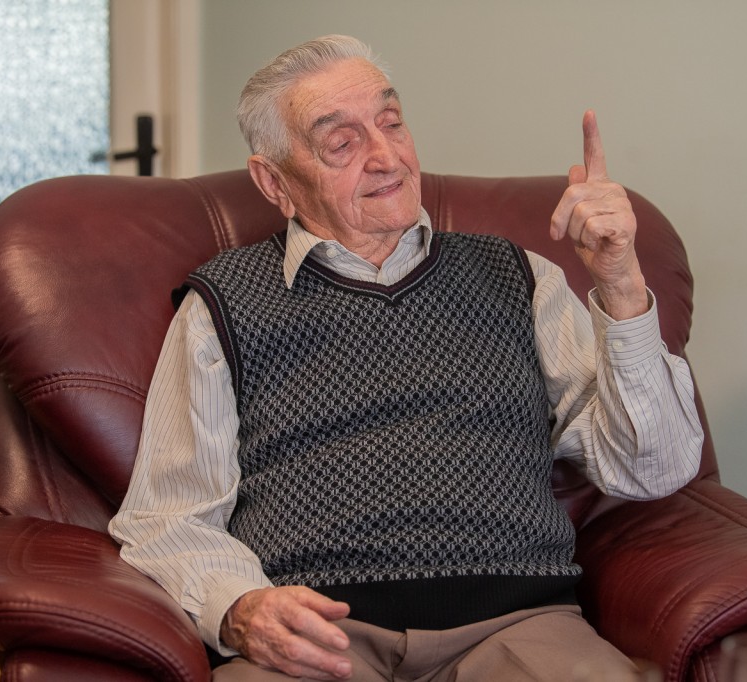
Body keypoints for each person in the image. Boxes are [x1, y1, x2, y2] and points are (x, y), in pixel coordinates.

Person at [110, 35, 703, 681]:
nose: (386, 157)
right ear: (274, 181)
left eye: (391, 123)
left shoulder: (519, 278)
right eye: (342, 142)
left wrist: (619, 283)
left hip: (518, 626)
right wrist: (239, 608)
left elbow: (653, 469)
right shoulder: (225, 303)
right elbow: (166, 515)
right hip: (317, 637)